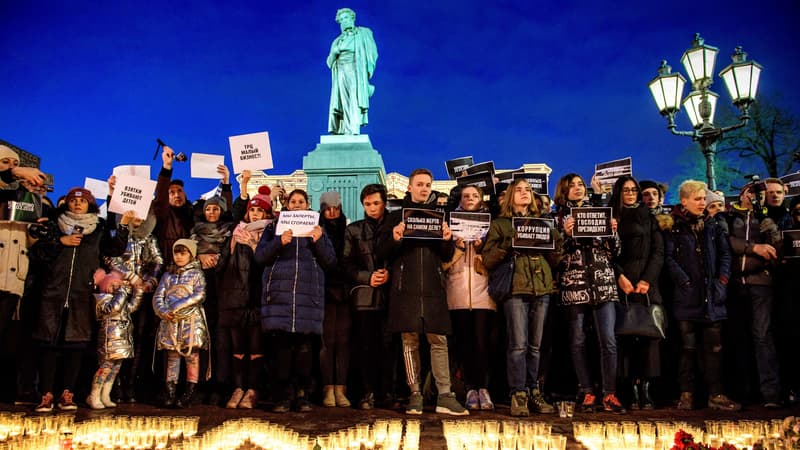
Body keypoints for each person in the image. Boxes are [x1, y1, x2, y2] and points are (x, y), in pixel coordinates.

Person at [376, 168, 468, 416]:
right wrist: (395, 238)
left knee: (439, 339)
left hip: (432, 287)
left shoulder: (439, 216)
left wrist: (447, 239)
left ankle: (445, 395)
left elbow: (446, 256)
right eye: (419, 184)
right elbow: (382, 252)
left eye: (427, 185)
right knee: (409, 340)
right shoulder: (396, 218)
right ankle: (414, 393)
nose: (424, 188)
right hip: (405, 288)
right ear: (410, 187)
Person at [31, 187, 127, 412]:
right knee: (48, 343)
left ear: (90, 205)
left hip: (81, 294)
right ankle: (46, 393)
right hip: (53, 292)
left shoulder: (98, 230)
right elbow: (38, 253)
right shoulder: (54, 225)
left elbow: (115, 249)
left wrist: (123, 226)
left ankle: (67, 393)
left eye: (83, 201)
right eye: (74, 201)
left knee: (75, 345)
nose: (77, 204)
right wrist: (60, 242)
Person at [483, 179, 562, 416]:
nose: (524, 193)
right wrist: (511, 240)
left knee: (535, 346)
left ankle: (534, 391)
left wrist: (555, 240)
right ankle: (518, 393)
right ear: (510, 196)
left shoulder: (544, 223)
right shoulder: (500, 224)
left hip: (542, 288)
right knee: (518, 345)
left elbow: (556, 260)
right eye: (519, 190)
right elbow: (487, 260)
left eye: (528, 189)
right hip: (515, 289)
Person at [255, 189, 336, 413]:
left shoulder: (317, 229)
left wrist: (319, 241)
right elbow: (260, 257)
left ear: (307, 205)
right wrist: (279, 242)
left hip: (307, 297)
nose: (297, 205)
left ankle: (302, 395)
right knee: (281, 350)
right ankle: (282, 396)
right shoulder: (274, 228)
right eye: (293, 201)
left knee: (304, 350)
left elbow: (330, 261)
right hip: (280, 298)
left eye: (301, 201)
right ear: (287, 205)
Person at [553, 173, 626, 414]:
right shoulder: (556, 218)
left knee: (608, 340)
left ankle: (609, 393)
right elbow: (554, 255)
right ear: (563, 191)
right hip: (574, 285)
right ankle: (586, 390)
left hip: (602, 283)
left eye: (580, 185)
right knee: (577, 341)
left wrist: (613, 232)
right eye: (571, 185)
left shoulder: (599, 212)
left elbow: (615, 251)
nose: (577, 188)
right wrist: (564, 233)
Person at [664, 180, 739, 411]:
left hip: (712, 296)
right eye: (697, 198)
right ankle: (686, 393)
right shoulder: (673, 227)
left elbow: (725, 255)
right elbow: (668, 258)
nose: (702, 203)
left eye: (703, 198)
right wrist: (684, 281)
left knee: (714, 348)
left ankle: (716, 393)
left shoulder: (713, 225)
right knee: (687, 348)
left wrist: (722, 281)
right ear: (684, 200)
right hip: (687, 297)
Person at [608, 176, 664, 410]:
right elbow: (608, 252)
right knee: (625, 337)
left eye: (634, 190)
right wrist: (620, 276)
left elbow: (658, 251)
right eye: (626, 190)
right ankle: (629, 388)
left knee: (649, 339)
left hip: (647, 284)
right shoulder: (612, 217)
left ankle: (646, 389)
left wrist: (647, 280)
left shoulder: (649, 218)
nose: (631, 194)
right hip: (622, 283)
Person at [726, 182, 782, 408]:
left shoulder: (768, 217)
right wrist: (754, 247)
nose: (755, 196)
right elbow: (727, 242)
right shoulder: (729, 217)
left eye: (760, 194)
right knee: (737, 337)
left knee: (762, 336)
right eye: (752, 192)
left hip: (760, 282)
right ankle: (742, 391)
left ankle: (770, 393)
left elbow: (778, 246)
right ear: (742, 193)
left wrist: (768, 225)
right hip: (733, 283)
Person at [217, 186, 272, 409]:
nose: (255, 214)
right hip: (235, 299)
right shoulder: (235, 234)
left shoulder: (270, 235)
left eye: (260, 211)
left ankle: (252, 390)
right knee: (237, 349)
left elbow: (266, 265)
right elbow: (222, 265)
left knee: (256, 348)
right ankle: (238, 388)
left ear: (267, 214)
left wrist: (254, 247)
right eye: (252, 211)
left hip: (258, 299)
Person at [342, 184, 396, 410]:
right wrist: (367, 277)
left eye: (376, 203)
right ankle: (366, 392)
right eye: (367, 204)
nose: (372, 208)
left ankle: (387, 393)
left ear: (384, 202)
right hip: (364, 298)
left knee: (388, 347)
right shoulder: (353, 230)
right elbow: (345, 264)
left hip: (391, 296)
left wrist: (390, 273)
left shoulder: (394, 227)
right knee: (365, 347)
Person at [443, 185, 497, 411]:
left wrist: (481, 248)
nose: (470, 199)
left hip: (483, 290)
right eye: (466, 196)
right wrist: (457, 247)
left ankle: (483, 388)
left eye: (475, 195)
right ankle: (469, 389)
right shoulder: (451, 225)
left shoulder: (489, 226)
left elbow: (497, 259)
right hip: (457, 290)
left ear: (481, 199)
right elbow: (443, 263)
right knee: (463, 343)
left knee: (482, 343)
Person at [153, 239, 210, 409]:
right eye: (176, 253)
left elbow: (200, 294)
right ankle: (170, 391)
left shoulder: (196, 274)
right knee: (173, 355)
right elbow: (158, 296)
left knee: (191, 355)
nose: (178, 257)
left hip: (190, 320)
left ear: (191, 255)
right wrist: (163, 311)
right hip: (171, 321)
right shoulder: (168, 275)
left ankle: (189, 392)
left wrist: (178, 305)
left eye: (183, 253)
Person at [86, 266, 142, 410]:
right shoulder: (101, 299)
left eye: (118, 285)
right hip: (109, 338)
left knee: (116, 367)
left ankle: (106, 394)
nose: (117, 288)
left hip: (122, 338)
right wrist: (122, 291)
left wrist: (138, 291)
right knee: (105, 367)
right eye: (113, 285)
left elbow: (131, 307)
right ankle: (94, 395)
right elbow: (114, 308)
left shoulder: (120, 298)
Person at [318, 191, 352, 408]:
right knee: (326, 342)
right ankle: (327, 387)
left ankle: (341, 388)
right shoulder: (316, 232)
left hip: (346, 292)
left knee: (344, 341)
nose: (332, 213)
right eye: (327, 209)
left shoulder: (348, 231)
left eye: (335, 209)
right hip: (323, 292)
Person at [326, 8, 378, 135]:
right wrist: (333, 53)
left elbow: (373, 53)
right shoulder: (337, 41)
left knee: (354, 99)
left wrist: (367, 74)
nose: (344, 21)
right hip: (340, 71)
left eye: (346, 18)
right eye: (341, 19)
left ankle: (353, 130)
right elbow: (329, 63)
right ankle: (343, 130)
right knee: (342, 101)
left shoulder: (364, 33)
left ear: (352, 19)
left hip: (356, 69)